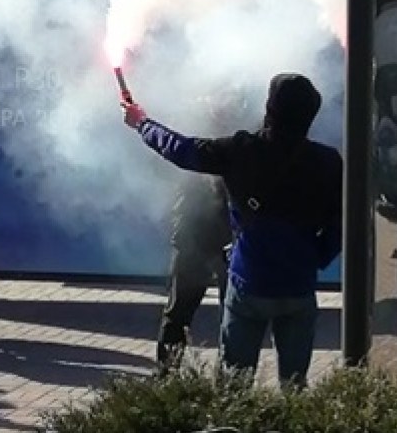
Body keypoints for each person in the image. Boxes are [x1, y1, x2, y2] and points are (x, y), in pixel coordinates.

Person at [122, 73, 342, 387]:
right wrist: (317, 257)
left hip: (249, 281)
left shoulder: (245, 149)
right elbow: (339, 222)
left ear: (271, 107)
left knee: (234, 383)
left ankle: (232, 429)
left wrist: (142, 123)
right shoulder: (328, 161)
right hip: (298, 284)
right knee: (294, 383)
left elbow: (180, 149)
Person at [156, 175, 231, 373]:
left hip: (205, 241)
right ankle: (167, 374)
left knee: (231, 318)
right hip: (200, 241)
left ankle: (167, 374)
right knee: (180, 314)